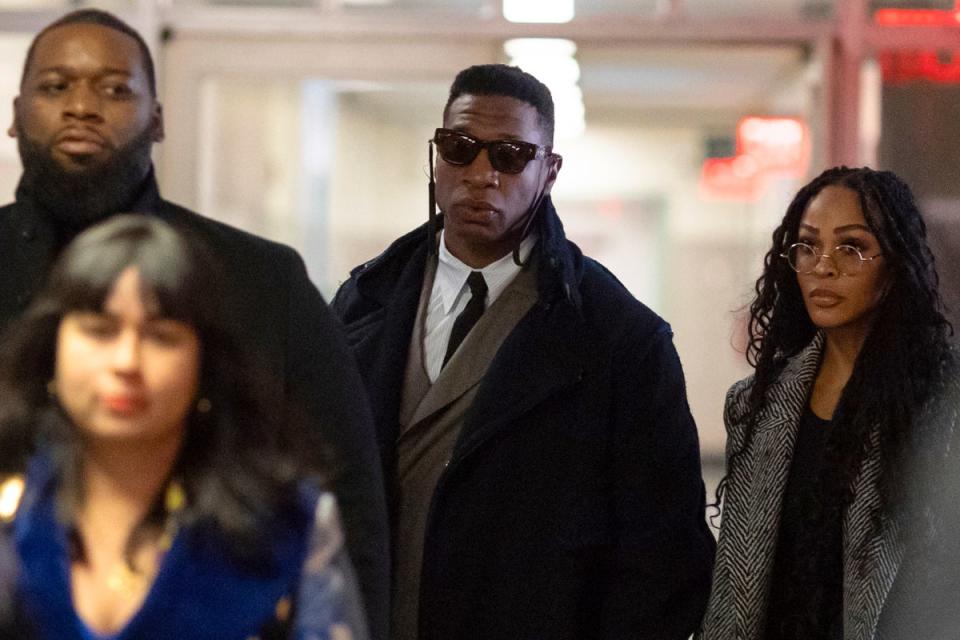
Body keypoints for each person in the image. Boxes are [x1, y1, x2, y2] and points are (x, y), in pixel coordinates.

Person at [1, 10, 388, 637]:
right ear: (17, 112)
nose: (81, 107)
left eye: (114, 88)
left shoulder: (260, 280)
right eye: (55, 86)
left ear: (157, 117)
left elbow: (349, 495)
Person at [332, 63, 715, 640]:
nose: (481, 174)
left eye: (510, 155)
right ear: (435, 156)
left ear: (549, 170)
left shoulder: (619, 338)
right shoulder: (364, 303)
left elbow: (664, 557)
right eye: (460, 148)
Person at [0, 215, 369, 639]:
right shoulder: (12, 516)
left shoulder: (285, 526)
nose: (127, 362)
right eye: (100, 331)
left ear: (204, 367)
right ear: (52, 354)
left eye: (160, 336)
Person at [698, 166, 957, 640]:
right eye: (808, 246)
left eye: (852, 247)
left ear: (895, 263)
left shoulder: (943, 405)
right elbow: (733, 588)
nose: (824, 266)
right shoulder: (756, 406)